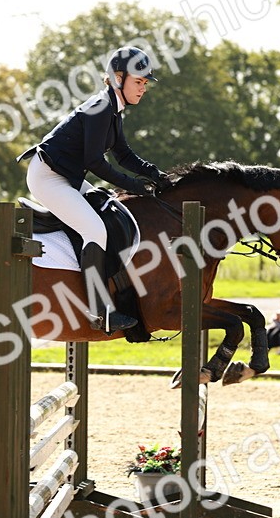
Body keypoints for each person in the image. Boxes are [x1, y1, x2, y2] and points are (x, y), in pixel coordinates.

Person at [18, 46, 172, 333]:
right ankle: (100, 310)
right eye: (138, 82)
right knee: (95, 230)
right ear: (117, 78)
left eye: (144, 83)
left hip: (67, 175)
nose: (143, 88)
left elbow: (123, 155)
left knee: (109, 214)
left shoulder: (112, 109)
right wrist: (133, 186)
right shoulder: (101, 108)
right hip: (48, 177)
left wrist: (153, 174)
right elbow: (94, 162)